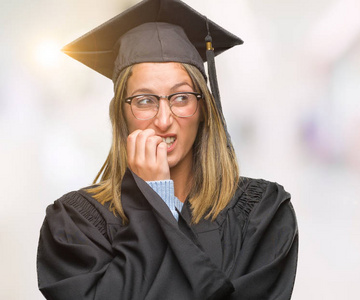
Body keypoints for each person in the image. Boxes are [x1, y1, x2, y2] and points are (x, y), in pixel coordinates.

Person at [36, 0, 298, 299]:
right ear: (121, 113)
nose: (164, 120)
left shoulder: (262, 213)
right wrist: (153, 199)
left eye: (181, 97)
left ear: (203, 109)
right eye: (145, 100)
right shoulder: (75, 224)